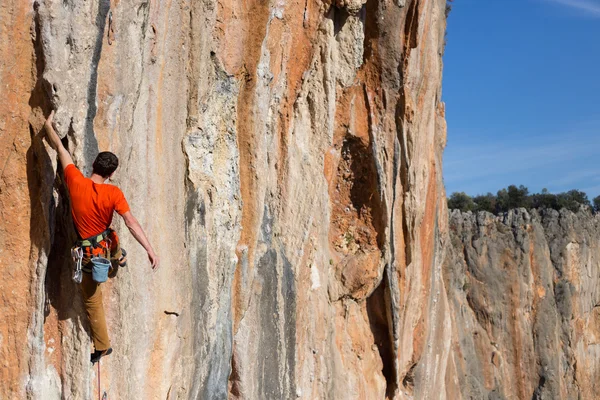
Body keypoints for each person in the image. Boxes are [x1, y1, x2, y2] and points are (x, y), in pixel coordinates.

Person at [43, 110, 159, 363]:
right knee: (110, 238)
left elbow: (62, 152)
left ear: (94, 165)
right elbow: (131, 223)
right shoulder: (113, 193)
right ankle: (119, 257)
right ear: (111, 174)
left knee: (93, 298)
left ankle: (103, 346)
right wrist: (149, 248)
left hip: (89, 254)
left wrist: (48, 125)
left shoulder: (75, 180)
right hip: (104, 245)